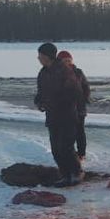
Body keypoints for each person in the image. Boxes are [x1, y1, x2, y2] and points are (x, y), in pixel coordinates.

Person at [33, 42, 83, 187]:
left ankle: (76, 172)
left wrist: (58, 102)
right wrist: (39, 101)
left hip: (67, 115)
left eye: (40, 55)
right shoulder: (43, 73)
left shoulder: (64, 71)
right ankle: (65, 175)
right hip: (52, 116)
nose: (38, 58)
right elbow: (41, 91)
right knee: (55, 149)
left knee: (66, 147)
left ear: (48, 56)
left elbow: (76, 92)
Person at [57, 50, 91, 161]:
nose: (68, 63)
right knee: (66, 133)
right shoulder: (57, 73)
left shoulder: (78, 72)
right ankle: (68, 153)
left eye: (69, 60)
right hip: (64, 109)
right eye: (65, 61)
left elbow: (85, 87)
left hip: (79, 108)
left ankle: (81, 153)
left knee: (80, 131)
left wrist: (85, 98)